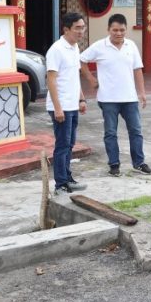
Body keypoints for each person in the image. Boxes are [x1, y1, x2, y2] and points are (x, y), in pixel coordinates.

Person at [80, 14, 151, 177]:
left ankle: (139, 163)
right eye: (115, 30)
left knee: (136, 131)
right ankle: (114, 164)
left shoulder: (131, 45)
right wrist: (91, 79)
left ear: (126, 30)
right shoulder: (99, 46)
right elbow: (81, 60)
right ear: (109, 30)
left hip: (130, 98)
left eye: (122, 30)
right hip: (108, 99)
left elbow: (137, 69)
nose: (119, 33)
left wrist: (142, 92)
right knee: (111, 133)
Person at [47, 12, 89, 194]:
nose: (81, 31)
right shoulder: (56, 50)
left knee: (70, 144)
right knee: (62, 145)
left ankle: (67, 178)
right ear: (66, 29)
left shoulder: (75, 47)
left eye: (83, 27)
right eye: (77, 28)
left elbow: (74, 77)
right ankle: (60, 184)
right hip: (61, 106)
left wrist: (81, 99)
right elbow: (51, 80)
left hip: (72, 105)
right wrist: (58, 108)